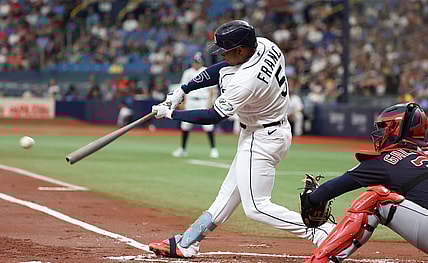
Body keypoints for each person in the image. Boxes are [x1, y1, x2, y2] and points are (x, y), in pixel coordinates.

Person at [149, 20, 334, 258]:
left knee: (256, 207)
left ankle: (322, 232)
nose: (223, 56)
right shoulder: (266, 45)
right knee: (226, 196)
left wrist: (172, 113)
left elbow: (212, 115)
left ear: (241, 50)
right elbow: (219, 71)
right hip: (265, 131)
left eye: (227, 51)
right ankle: (188, 242)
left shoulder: (247, 81)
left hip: (263, 137)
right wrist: (182, 90)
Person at [304, 102, 428, 262]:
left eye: (386, 127)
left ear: (396, 129)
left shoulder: (385, 161)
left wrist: (310, 199)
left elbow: (332, 188)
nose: (381, 132)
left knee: (376, 199)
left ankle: (320, 260)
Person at [172, 51, 219, 158]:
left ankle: (213, 149)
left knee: (208, 126)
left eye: (198, 62)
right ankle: (182, 149)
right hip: (191, 100)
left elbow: (212, 89)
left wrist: (210, 102)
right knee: (185, 126)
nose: (196, 64)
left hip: (203, 100)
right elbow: (182, 89)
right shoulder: (188, 72)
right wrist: (183, 102)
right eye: (195, 61)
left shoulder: (206, 70)